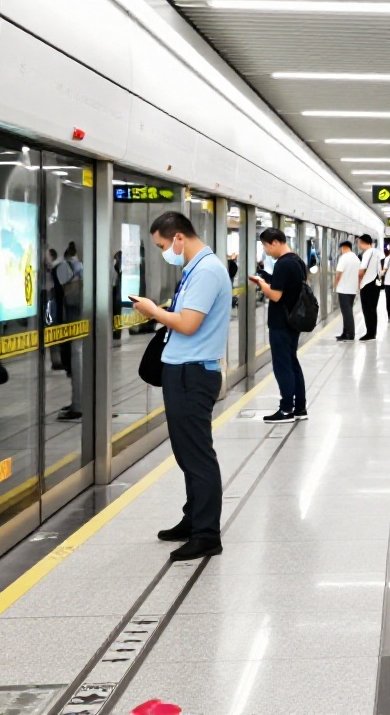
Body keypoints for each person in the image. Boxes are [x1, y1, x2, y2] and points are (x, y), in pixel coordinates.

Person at [127, 212, 232, 561]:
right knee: (187, 453)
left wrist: (153, 312)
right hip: (183, 370)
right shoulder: (196, 269)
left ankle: (206, 534)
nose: (163, 252)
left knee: (197, 455)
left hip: (193, 373)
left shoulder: (206, 271)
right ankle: (193, 519)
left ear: (178, 239)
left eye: (162, 245)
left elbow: (187, 324)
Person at [250, 227, 307, 424]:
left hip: (281, 322)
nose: (266, 251)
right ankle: (300, 407)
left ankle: (286, 410)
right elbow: (286, 286)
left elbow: (276, 294)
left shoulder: (283, 264)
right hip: (293, 320)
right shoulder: (297, 261)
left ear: (275, 242)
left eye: (266, 246)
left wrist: (262, 284)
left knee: (283, 366)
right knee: (292, 363)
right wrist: (267, 278)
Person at [54, 241, 86, 421]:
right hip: (84, 317)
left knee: (77, 357)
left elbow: (65, 292)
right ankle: (80, 401)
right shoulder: (82, 266)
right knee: (80, 357)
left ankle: (78, 404)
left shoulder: (64, 268)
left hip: (74, 317)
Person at [333, 240, 360, 341]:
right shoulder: (356, 259)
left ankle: (349, 334)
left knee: (347, 313)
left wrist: (335, 284)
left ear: (343, 247)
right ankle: (345, 333)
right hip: (352, 290)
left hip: (344, 289)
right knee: (347, 312)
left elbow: (339, 273)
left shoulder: (344, 258)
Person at [357, 234, 382, 340]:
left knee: (367, 310)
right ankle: (373, 332)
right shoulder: (377, 252)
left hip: (367, 284)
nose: (358, 245)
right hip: (375, 284)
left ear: (363, 242)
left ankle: (370, 333)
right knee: (373, 309)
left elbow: (362, 269)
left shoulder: (367, 253)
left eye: (359, 243)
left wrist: (359, 282)